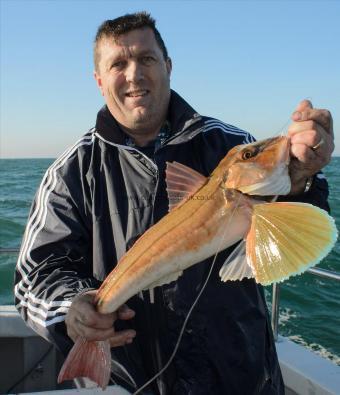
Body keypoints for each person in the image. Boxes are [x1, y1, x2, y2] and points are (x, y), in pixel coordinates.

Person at [14, 12, 334, 395]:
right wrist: (73, 311)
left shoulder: (230, 146)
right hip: (131, 382)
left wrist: (301, 177)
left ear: (167, 66)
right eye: (118, 63)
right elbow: (35, 278)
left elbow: (296, 225)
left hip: (240, 378)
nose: (134, 74)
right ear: (99, 81)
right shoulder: (70, 172)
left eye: (146, 59)